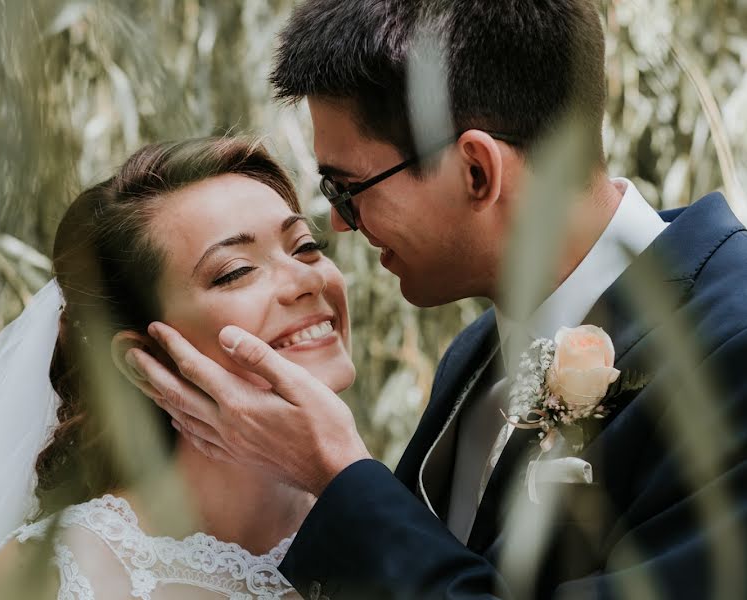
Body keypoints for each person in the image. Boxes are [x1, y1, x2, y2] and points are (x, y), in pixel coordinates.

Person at [123, 1, 747, 598]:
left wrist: (338, 474)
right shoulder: (473, 355)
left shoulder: (730, 349)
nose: (340, 227)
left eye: (347, 189)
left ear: (476, 170)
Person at [0, 136, 356, 600]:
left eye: (305, 246)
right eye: (235, 270)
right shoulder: (57, 575)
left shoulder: (395, 518)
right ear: (145, 360)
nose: (307, 279)